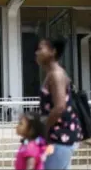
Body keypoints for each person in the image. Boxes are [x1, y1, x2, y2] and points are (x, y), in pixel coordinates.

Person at [35, 36, 82, 169]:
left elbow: (60, 107)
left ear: (53, 51)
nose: (37, 53)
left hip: (60, 137)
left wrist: (42, 128)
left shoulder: (56, 74)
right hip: (59, 138)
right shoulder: (52, 74)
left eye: (40, 49)